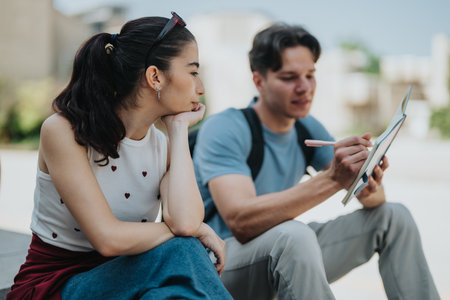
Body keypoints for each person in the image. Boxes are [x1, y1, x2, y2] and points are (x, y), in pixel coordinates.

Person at [193, 23, 440, 300]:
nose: (304, 87)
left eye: (310, 75)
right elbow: (241, 221)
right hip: (219, 266)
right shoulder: (226, 127)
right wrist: (334, 178)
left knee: (394, 216)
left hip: (282, 252)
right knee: (294, 236)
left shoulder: (306, 128)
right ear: (259, 81)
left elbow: (369, 200)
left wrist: (369, 186)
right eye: (289, 77)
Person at [7, 12, 232, 300]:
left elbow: (185, 221)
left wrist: (177, 131)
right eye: (193, 72)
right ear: (155, 76)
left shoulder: (163, 145)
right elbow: (108, 239)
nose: (200, 88)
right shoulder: (63, 131)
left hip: (133, 280)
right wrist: (192, 231)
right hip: (56, 286)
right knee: (183, 248)